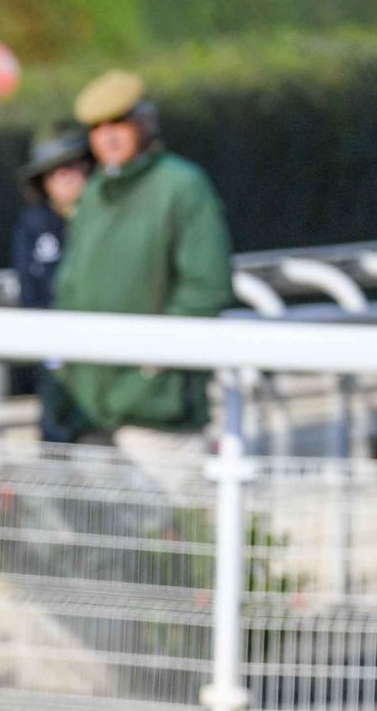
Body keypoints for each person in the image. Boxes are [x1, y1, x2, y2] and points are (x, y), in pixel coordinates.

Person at [42, 71, 234, 457]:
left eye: (119, 122)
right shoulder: (95, 192)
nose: (108, 135)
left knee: (170, 518)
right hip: (90, 410)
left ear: (145, 122)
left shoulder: (183, 186)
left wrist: (152, 368)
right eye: (97, 127)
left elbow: (206, 287)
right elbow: (71, 287)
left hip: (156, 412)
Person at [12, 125, 93, 444]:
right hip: (55, 353)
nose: (68, 176)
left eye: (74, 166)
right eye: (57, 171)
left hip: (102, 350)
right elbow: (30, 288)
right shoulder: (33, 224)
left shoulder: (104, 219)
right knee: (57, 438)